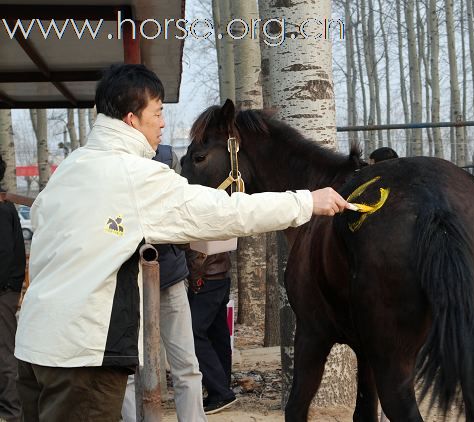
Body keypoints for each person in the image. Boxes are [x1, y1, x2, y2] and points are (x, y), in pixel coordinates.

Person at [14, 63, 351, 421]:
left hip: (35, 348)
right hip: (83, 356)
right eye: (157, 112)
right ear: (131, 119)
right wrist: (305, 202)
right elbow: (223, 212)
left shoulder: (71, 167)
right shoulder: (136, 176)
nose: (162, 122)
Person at [121, 144, 205, 421]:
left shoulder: (168, 157)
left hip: (169, 278)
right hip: (127, 284)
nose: (161, 123)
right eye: (155, 115)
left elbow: (184, 207)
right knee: (131, 366)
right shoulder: (114, 162)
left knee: (186, 365)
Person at [186, 250, 236, 415]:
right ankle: (220, 390)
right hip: (218, 275)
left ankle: (221, 391)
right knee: (217, 334)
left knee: (193, 333)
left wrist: (196, 277)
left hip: (207, 277)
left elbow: (196, 249)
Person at [0, 154, 25, 422]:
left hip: (3, 292)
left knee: (4, 355)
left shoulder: (3, 208)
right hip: (6, 288)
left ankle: (13, 413)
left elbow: (5, 254)